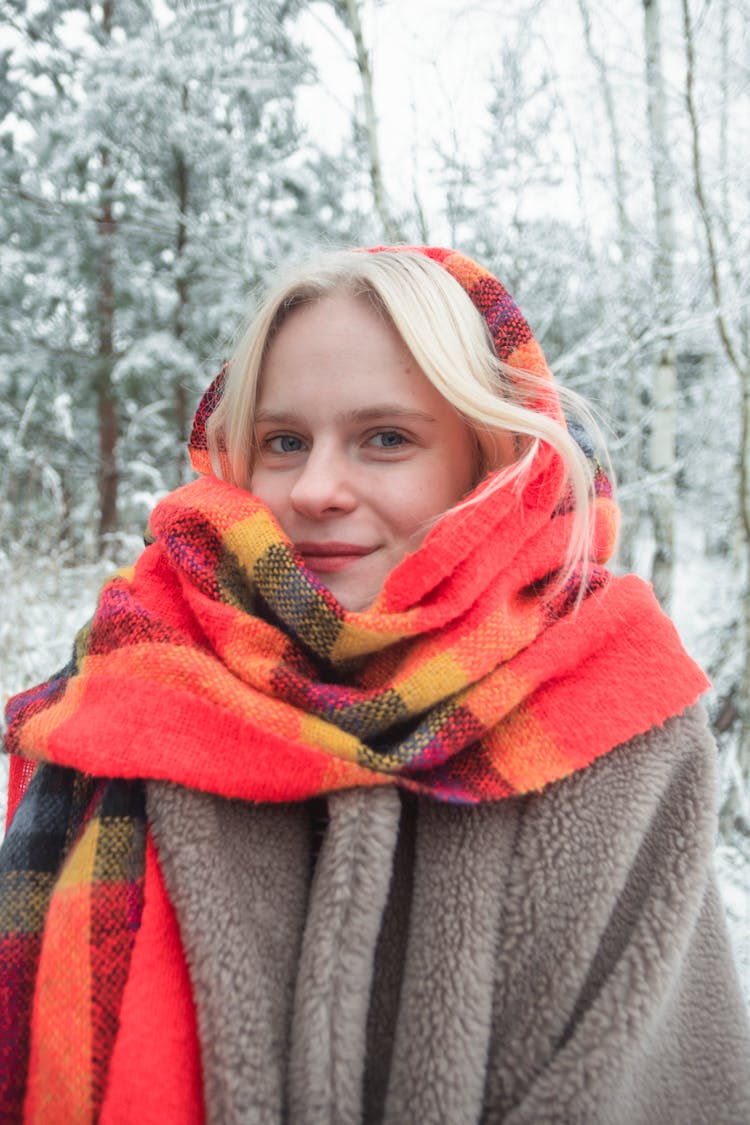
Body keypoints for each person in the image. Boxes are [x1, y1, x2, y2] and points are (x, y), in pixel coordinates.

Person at [1, 245, 748, 1124]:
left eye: (385, 438)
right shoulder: (134, 680)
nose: (316, 488)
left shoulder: (613, 717)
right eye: (285, 442)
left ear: (490, 456)